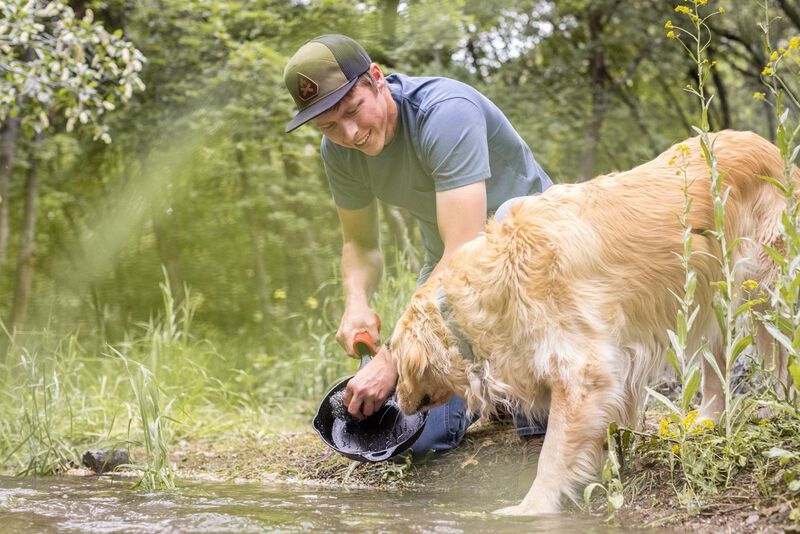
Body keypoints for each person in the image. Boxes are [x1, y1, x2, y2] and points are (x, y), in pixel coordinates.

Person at [283, 34, 551, 457]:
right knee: (422, 438)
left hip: (533, 263)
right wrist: (356, 302)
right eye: (329, 125)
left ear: (375, 79)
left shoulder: (445, 113)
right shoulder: (339, 152)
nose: (349, 133)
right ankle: (486, 390)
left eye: (353, 111)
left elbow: (469, 252)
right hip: (448, 265)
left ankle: (505, 381)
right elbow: (359, 243)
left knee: (541, 424)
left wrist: (393, 357)